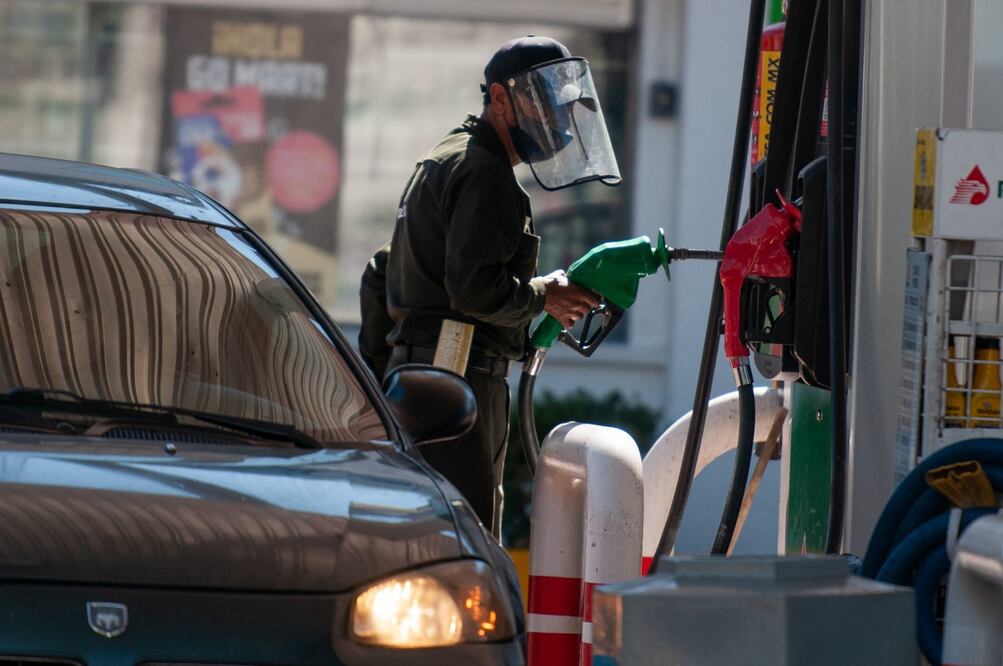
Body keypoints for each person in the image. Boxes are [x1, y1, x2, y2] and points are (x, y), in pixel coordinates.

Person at [359, 35, 622, 539]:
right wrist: (546, 295)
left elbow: (380, 272)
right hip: (460, 381)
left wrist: (380, 376)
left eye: (562, 106)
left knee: (418, 534)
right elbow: (476, 291)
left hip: (416, 378)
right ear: (499, 98)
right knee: (466, 538)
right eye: (542, 100)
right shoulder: (487, 174)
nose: (558, 121)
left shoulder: (444, 156)